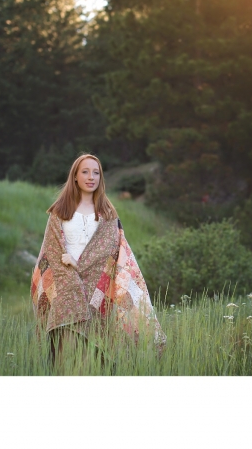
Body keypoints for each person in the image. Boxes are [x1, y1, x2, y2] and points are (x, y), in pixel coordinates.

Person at [30, 153, 165, 369]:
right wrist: (71, 272)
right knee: (66, 353)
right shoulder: (60, 211)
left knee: (94, 356)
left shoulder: (107, 214)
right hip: (66, 286)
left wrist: (76, 263)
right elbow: (52, 251)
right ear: (75, 176)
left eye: (96, 172)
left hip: (98, 290)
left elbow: (111, 252)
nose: (91, 177)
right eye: (85, 171)